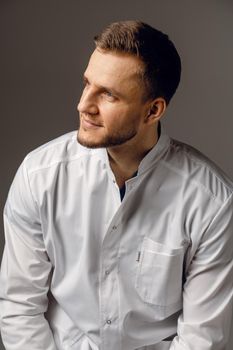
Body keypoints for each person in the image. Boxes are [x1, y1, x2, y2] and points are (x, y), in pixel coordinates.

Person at [0, 20, 233, 350]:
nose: (84, 105)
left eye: (107, 94)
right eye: (87, 84)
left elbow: (202, 339)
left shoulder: (211, 202)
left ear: (153, 110)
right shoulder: (39, 176)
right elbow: (19, 308)